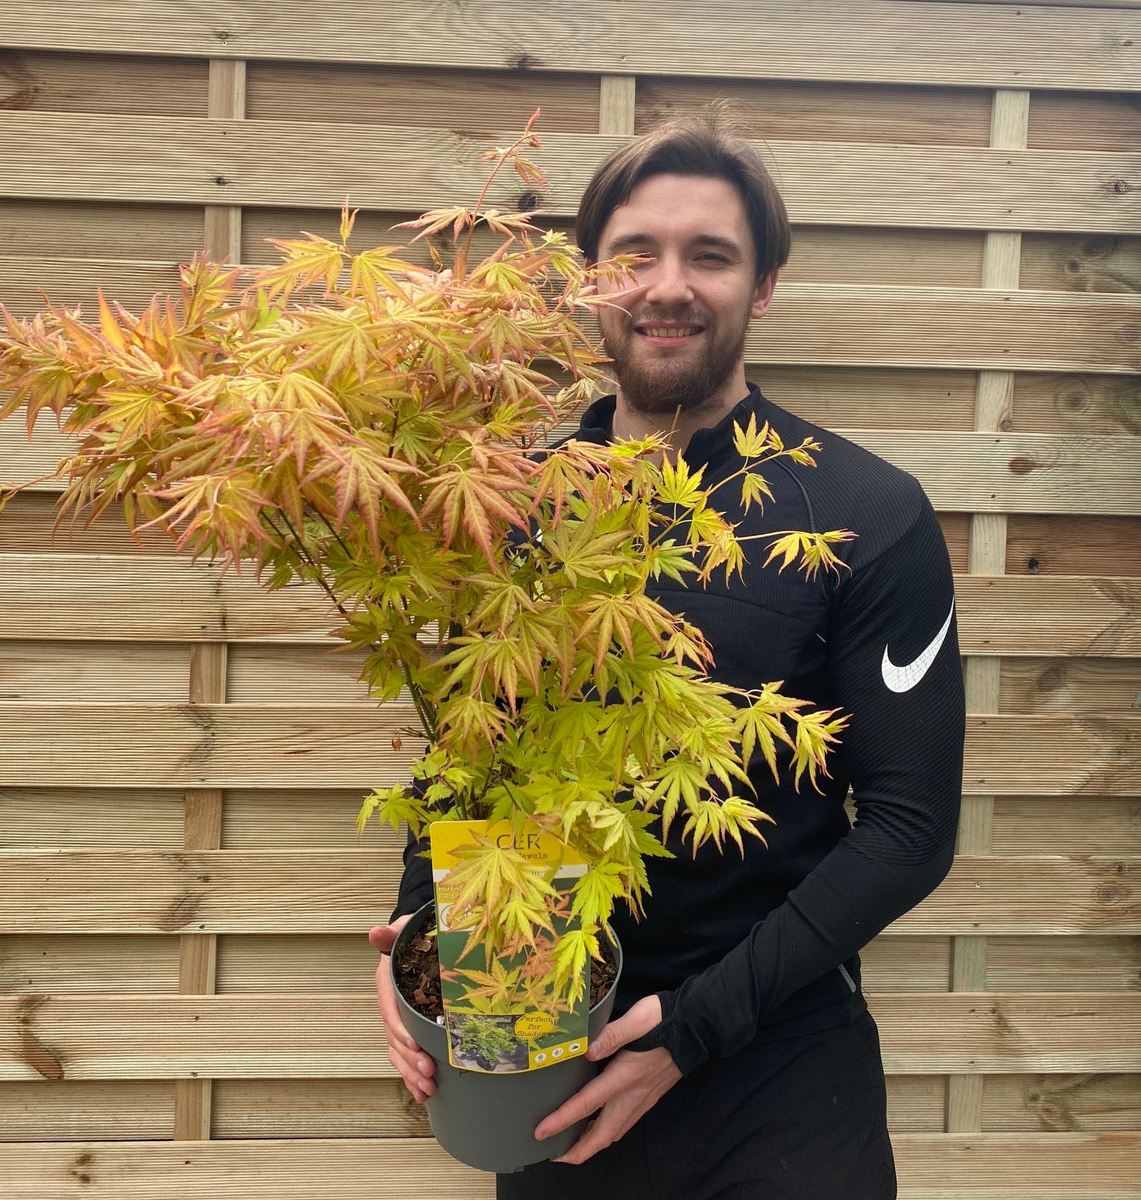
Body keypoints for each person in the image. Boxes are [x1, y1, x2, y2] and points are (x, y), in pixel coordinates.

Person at [369, 109, 966, 1199]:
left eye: (712, 255)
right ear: (590, 278)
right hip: (542, 1042)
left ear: (764, 285)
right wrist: (418, 933)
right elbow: (473, 757)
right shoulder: (514, 507)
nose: (668, 286)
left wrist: (688, 1032)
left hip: (782, 1076)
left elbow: (911, 828)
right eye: (635, 254)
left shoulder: (865, 512)